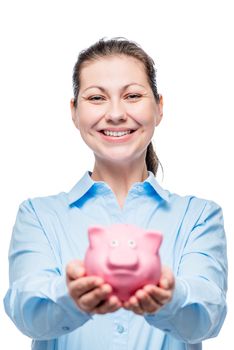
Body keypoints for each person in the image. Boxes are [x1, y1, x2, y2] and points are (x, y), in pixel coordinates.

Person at [4, 37, 227, 350]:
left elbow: (209, 316)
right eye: (97, 98)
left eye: (133, 95)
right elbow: (26, 311)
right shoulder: (38, 215)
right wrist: (69, 297)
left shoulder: (198, 216)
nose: (116, 114)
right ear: (74, 111)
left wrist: (170, 299)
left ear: (159, 107)